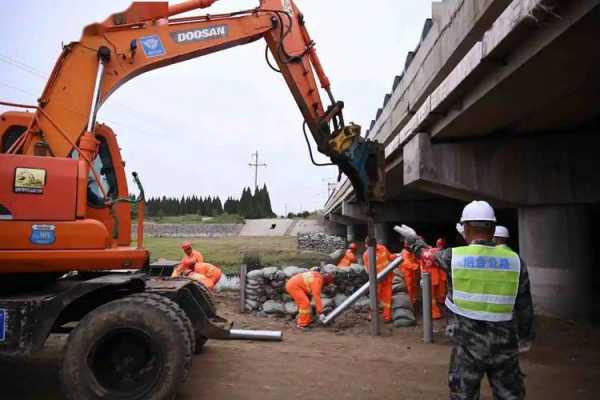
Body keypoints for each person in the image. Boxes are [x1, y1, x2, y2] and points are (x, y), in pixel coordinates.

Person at [396, 200, 534, 400]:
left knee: (463, 395)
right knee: (509, 395)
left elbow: (426, 254)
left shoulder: (455, 257)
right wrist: (525, 336)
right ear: (493, 227)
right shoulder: (515, 261)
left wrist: (413, 238)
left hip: (467, 346)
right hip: (504, 345)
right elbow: (525, 306)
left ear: (465, 228)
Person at [362, 239, 398, 322]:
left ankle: (387, 316)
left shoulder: (383, 248)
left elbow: (390, 257)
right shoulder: (366, 255)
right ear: (367, 245)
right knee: (375, 298)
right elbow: (368, 270)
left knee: (388, 298)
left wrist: (397, 255)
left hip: (387, 277)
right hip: (377, 281)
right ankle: (372, 315)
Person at [400, 240, 420, 305]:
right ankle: (409, 303)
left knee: (414, 288)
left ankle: (413, 302)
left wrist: (419, 262)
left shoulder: (411, 252)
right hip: (407, 274)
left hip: (412, 274)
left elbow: (415, 260)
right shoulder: (405, 252)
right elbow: (406, 263)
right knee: (409, 289)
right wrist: (416, 266)